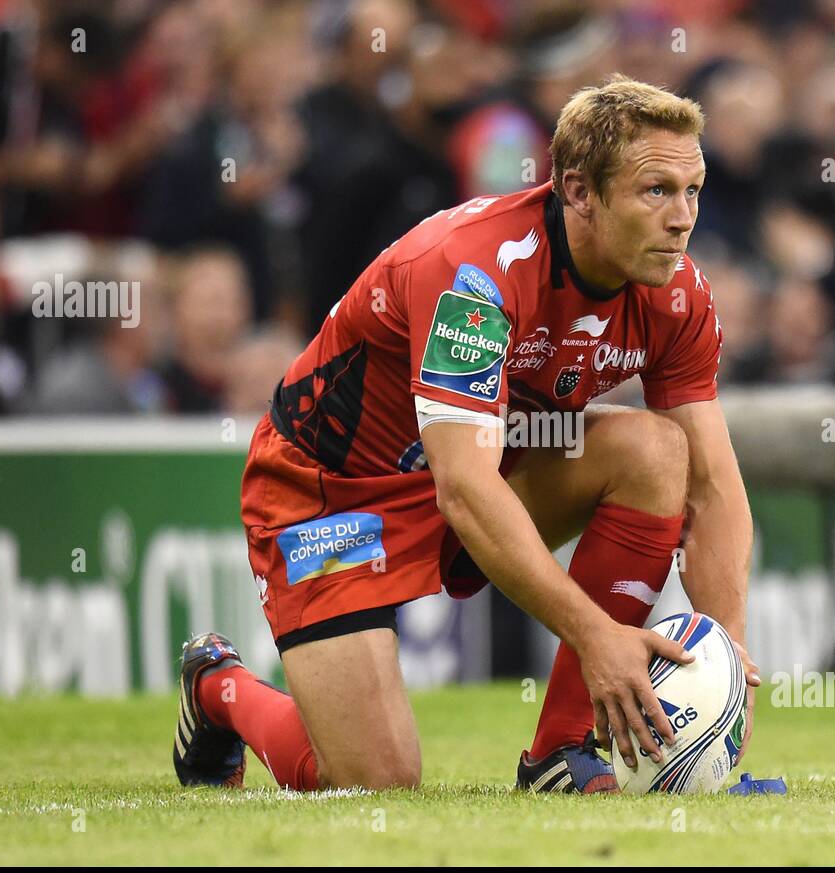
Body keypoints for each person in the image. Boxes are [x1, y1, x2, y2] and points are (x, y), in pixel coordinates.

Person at [173, 76, 761, 794]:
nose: (682, 218)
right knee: (373, 782)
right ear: (578, 190)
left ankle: (559, 756)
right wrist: (596, 636)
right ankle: (218, 689)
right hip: (332, 497)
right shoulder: (473, 274)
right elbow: (465, 487)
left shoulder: (677, 295)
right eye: (656, 191)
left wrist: (727, 655)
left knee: (657, 453)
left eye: (693, 190)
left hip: (476, 472)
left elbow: (712, 481)